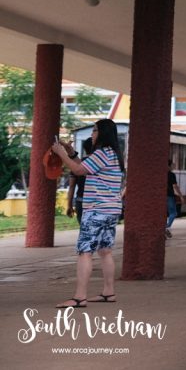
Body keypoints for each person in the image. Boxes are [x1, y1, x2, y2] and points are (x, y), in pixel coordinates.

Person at [51, 118, 124, 308]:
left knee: (85, 252)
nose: (92, 134)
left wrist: (60, 153)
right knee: (105, 251)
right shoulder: (113, 154)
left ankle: (79, 297)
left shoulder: (101, 153)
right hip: (110, 210)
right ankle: (108, 292)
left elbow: (77, 169)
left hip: (96, 210)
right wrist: (71, 153)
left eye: (94, 130)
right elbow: (85, 165)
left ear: (103, 133)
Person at [62, 137, 94, 224]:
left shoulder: (76, 165)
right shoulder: (98, 164)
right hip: (95, 203)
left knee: (84, 229)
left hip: (80, 201)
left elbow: (72, 186)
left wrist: (69, 205)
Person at [166, 160, 183, 238]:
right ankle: (166, 227)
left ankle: (164, 228)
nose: (172, 167)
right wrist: (180, 195)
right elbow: (175, 186)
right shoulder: (171, 175)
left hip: (161, 197)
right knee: (173, 213)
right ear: (168, 166)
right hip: (169, 196)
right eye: (171, 165)